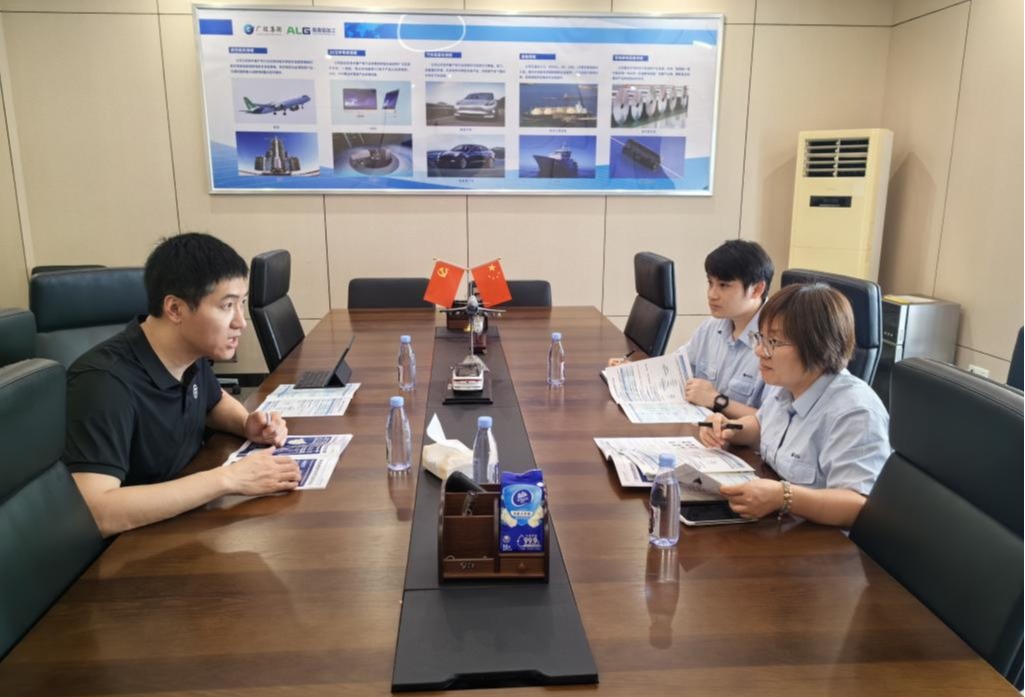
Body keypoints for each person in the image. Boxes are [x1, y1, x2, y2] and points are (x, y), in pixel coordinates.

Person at [65, 233, 301, 537]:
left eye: (241, 304)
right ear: (175, 309)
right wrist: (227, 479)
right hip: (132, 545)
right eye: (227, 306)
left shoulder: (191, 352)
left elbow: (214, 402)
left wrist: (246, 424)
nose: (241, 322)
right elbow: (98, 512)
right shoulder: (103, 383)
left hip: (185, 522)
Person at [699, 283, 890, 528]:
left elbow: (858, 505)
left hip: (822, 542)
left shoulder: (855, 412)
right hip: (781, 526)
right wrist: (729, 428)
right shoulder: (787, 385)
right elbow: (761, 425)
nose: (759, 351)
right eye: (760, 338)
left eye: (773, 341)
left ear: (818, 345)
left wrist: (784, 497)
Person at [611, 240, 775, 419]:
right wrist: (635, 372)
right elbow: (675, 369)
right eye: (710, 283)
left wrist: (717, 401)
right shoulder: (711, 327)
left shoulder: (776, 343)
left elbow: (774, 422)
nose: (711, 294)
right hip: (701, 426)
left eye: (724, 285)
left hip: (739, 436)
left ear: (757, 289)